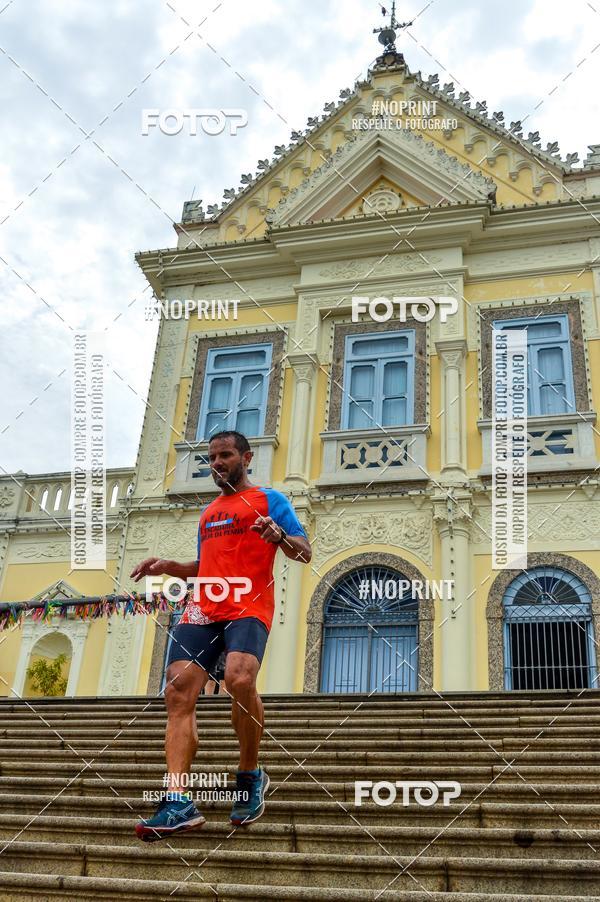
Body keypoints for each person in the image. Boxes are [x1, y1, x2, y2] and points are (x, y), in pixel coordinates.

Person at [130, 430, 312, 841]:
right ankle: (178, 801)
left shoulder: (271, 501)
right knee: (177, 689)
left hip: (248, 605)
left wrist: (280, 537)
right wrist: (170, 566)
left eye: (225, 456)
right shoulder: (209, 512)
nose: (217, 464)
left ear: (246, 458)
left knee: (239, 678)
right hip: (204, 605)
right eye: (211, 458)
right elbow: (206, 565)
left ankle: (249, 773)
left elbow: (304, 551)